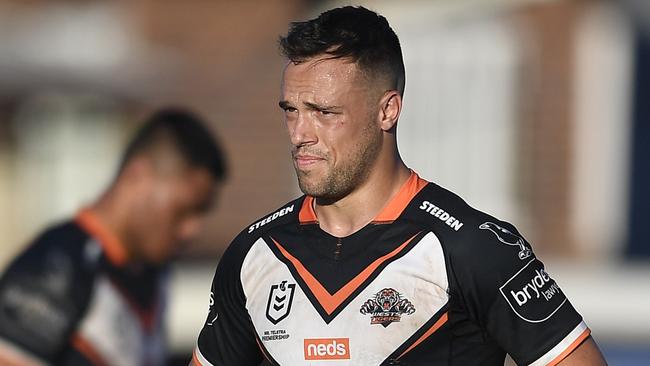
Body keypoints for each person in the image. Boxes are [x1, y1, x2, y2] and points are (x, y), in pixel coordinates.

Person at [191, 6, 607, 366]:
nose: (301, 133)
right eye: (292, 111)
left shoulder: (471, 247)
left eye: (324, 112)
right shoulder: (253, 254)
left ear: (387, 110)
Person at [0, 108, 228, 366]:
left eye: (201, 214)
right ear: (138, 176)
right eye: (184, 211)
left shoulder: (154, 273)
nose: (191, 230)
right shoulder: (55, 267)